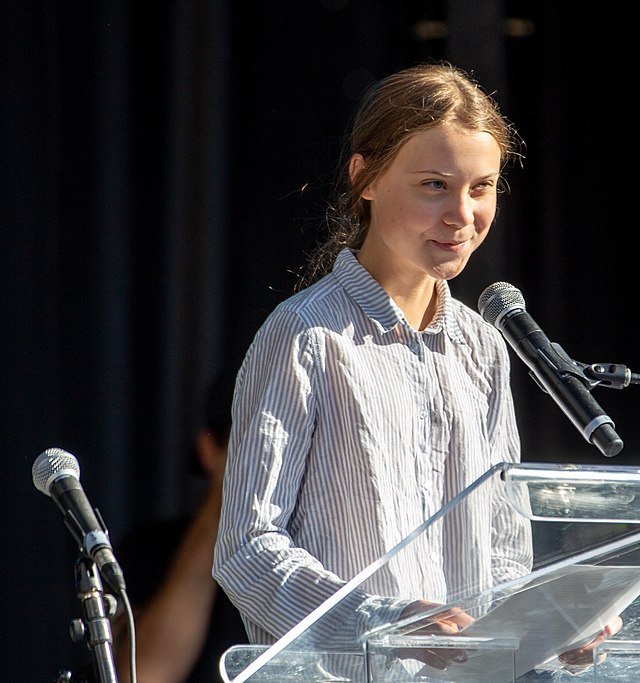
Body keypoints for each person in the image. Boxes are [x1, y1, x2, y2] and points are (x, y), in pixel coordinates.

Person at [211, 61, 619, 679]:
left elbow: (504, 554)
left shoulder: (483, 346)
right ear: (365, 177)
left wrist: (551, 628)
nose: (461, 214)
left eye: (482, 187)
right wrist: (381, 622)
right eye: (434, 184)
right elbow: (246, 549)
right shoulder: (305, 335)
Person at [111, 369, 249, 682]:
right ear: (209, 451)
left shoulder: (328, 544)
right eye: (252, 444)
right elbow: (144, 674)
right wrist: (225, 513)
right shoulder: (150, 549)